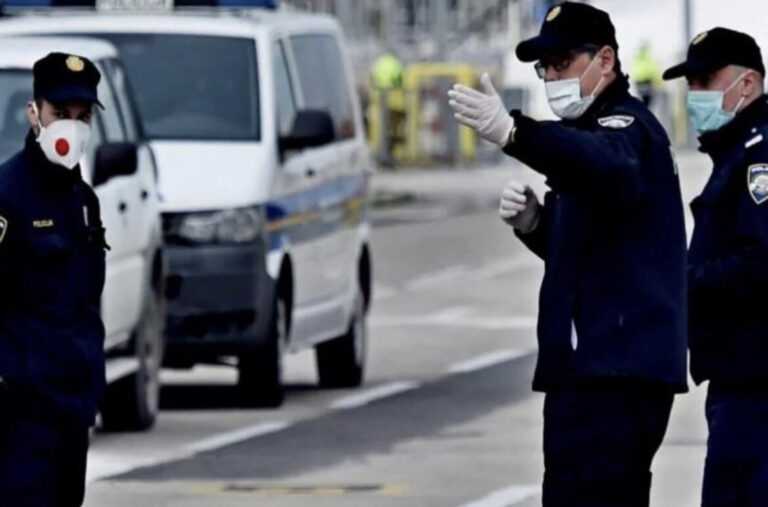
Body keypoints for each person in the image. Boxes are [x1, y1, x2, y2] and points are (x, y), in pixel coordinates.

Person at [447, 3, 687, 506]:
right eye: (546, 69)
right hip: (588, 370)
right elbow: (595, 250)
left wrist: (516, 133)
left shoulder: (628, 128)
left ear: (605, 60)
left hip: (616, 374)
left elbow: (607, 165)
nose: (553, 78)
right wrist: (537, 224)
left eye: (562, 64)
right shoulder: (588, 135)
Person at [663, 27, 768, 507]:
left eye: (706, 81)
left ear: (748, 83)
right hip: (739, 377)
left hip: (755, 383)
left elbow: (760, 261)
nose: (695, 95)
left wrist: (688, 281)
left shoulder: (759, 158)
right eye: (691, 84)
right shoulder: (738, 151)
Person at [0, 52, 108, 506]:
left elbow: (85, 302)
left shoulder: (84, 202)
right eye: (60, 113)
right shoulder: (8, 195)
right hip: (20, 414)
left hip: (71, 409)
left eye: (82, 117)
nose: (71, 127)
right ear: (34, 113)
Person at [631, 42, 662, 107]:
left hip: (639, 81)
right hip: (647, 81)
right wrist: (657, 81)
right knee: (647, 101)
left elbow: (633, 70)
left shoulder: (637, 57)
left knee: (643, 99)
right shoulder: (649, 57)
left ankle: (642, 109)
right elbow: (653, 69)